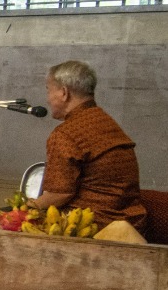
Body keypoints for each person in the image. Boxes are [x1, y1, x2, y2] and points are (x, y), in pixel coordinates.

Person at [32, 60, 147, 231]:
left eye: (49, 91)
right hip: (132, 224)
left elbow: (60, 193)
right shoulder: (106, 122)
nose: (48, 99)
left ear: (64, 92)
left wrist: (27, 207)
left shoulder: (66, 133)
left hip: (95, 226)